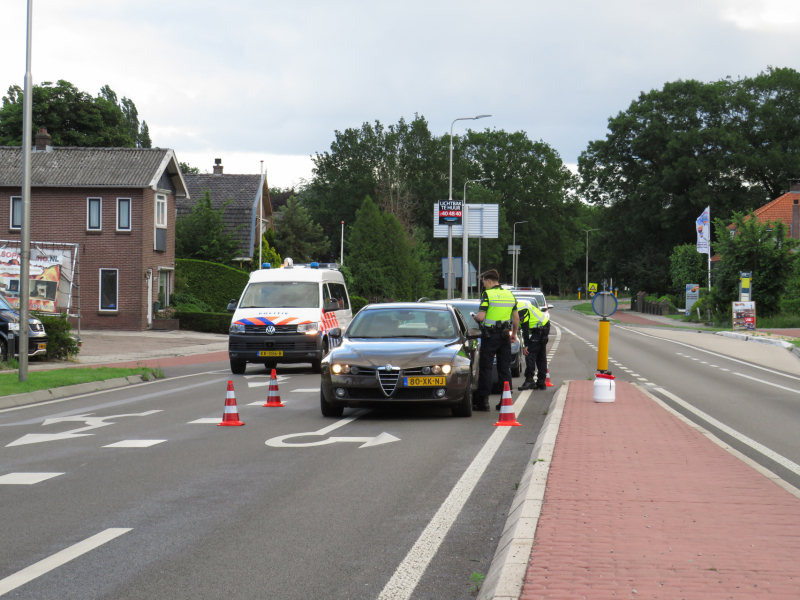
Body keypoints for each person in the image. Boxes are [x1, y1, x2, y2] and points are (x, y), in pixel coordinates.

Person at [471, 270, 519, 411]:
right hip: (505, 336)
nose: (483, 285)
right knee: (504, 369)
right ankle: (505, 400)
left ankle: (483, 402)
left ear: (489, 281)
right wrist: (514, 334)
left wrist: (475, 317)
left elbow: (481, 317)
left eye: (483, 282)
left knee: (486, 368)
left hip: (490, 336)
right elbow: (516, 318)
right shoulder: (509, 295)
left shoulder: (488, 294)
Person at [516, 299, 551, 391]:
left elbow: (525, 328)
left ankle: (529, 380)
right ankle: (541, 381)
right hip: (543, 328)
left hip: (539, 330)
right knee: (541, 356)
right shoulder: (520, 305)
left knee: (529, 354)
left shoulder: (521, 309)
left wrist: (526, 345)